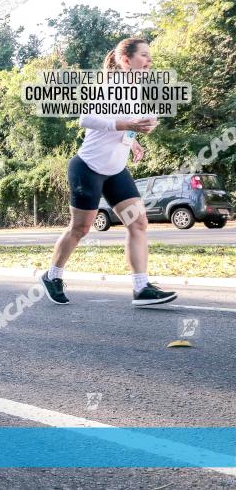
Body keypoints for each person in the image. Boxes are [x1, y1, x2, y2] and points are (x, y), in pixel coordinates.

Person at [40, 38, 177, 307]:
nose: (149, 61)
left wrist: (135, 137)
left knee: (137, 223)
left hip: (115, 171)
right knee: (81, 228)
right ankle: (52, 275)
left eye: (150, 57)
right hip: (88, 168)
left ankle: (141, 288)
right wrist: (127, 123)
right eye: (144, 56)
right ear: (126, 60)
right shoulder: (108, 86)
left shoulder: (135, 91)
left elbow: (124, 127)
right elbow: (86, 119)